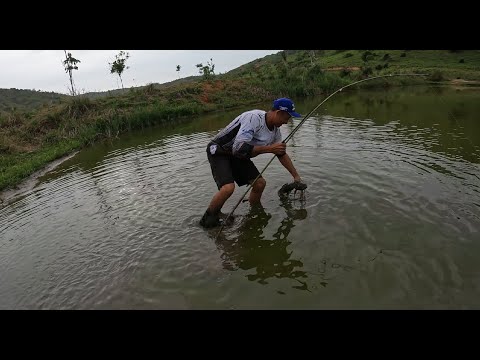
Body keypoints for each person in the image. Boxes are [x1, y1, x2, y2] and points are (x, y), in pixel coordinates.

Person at [200, 97, 307, 228]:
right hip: (219, 150)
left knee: (260, 184)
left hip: (237, 154)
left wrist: (296, 176)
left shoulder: (275, 132)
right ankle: (208, 220)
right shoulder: (253, 118)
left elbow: (281, 153)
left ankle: (253, 212)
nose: (286, 122)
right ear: (279, 113)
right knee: (228, 188)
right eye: (287, 117)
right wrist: (269, 149)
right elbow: (238, 148)